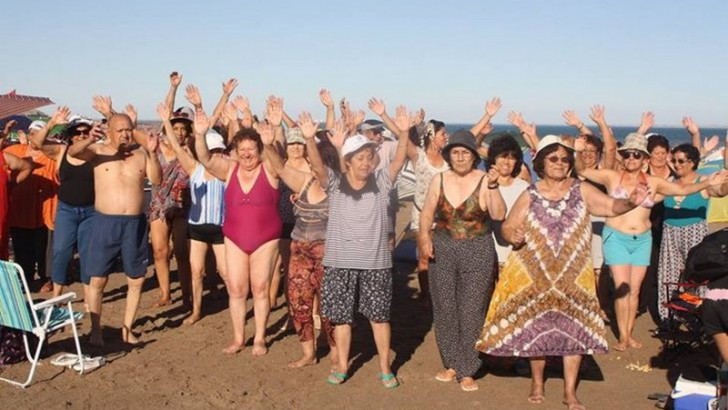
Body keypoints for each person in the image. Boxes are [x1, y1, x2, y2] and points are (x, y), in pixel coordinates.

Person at [477, 135, 651, 410]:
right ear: (541, 163)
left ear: (570, 164)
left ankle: (570, 391)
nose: (559, 163)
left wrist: (631, 202)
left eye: (564, 159)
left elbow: (610, 206)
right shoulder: (530, 193)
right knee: (538, 328)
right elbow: (509, 227)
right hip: (536, 272)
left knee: (574, 331)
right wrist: (515, 235)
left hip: (573, 274)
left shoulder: (581, 190)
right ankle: (537, 382)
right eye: (553, 158)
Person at [575, 132, 728, 351]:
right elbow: (582, 170)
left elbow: (682, 189)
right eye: (627, 155)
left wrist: (707, 184)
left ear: (644, 159)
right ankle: (622, 337)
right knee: (622, 288)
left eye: (636, 155)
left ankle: (629, 333)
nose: (631, 159)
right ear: (622, 156)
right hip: (616, 237)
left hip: (642, 240)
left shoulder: (654, 183)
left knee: (635, 290)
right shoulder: (611, 177)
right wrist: (579, 151)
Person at [309, 103, 410, 388]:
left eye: (369, 157)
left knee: (379, 318)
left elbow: (399, 161)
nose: (366, 162)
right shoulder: (336, 183)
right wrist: (308, 139)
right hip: (340, 262)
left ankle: (384, 367)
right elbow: (317, 167)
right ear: (348, 160)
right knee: (341, 319)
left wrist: (403, 133)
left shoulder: (382, 180)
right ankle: (341, 365)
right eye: (360, 158)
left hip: (376, 263)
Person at [419, 130, 505, 391]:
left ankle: (468, 367)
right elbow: (427, 212)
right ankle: (452, 363)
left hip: (477, 248)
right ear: (449, 155)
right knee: (445, 307)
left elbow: (499, 214)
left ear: (473, 156)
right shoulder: (440, 179)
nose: (459, 157)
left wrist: (493, 186)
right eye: (455, 152)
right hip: (443, 247)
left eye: (465, 152)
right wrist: (424, 237)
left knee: (472, 309)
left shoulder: (484, 179)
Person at [68, 113, 162, 346]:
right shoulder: (98, 152)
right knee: (97, 279)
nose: (125, 134)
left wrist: (152, 152)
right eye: (119, 130)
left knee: (136, 279)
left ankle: (127, 328)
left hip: (134, 223)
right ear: (109, 131)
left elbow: (157, 180)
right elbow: (73, 153)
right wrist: (90, 138)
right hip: (105, 223)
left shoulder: (140, 154)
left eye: (128, 129)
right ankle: (96, 330)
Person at [194, 105, 281, 356]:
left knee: (261, 288)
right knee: (236, 288)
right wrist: (199, 135)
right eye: (241, 150)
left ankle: (260, 338)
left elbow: (279, 160)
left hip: (266, 239)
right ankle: (239, 337)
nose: (246, 155)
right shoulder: (229, 169)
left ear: (259, 150)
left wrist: (272, 136)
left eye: (251, 150)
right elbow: (206, 159)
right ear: (235, 152)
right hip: (234, 238)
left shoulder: (270, 168)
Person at [263, 113, 339, 368]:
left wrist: (309, 138)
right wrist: (267, 144)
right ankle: (309, 353)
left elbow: (320, 167)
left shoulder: (337, 188)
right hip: (300, 251)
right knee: (299, 302)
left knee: (330, 307)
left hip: (329, 254)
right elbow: (280, 168)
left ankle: (336, 350)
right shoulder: (304, 183)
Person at [156, 102, 228, 325]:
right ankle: (196, 310)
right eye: (212, 150)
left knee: (226, 273)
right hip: (197, 229)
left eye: (219, 151)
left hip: (220, 229)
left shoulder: (227, 170)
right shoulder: (194, 169)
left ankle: (238, 306)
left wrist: (222, 98)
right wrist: (166, 120)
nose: (216, 154)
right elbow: (178, 148)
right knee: (196, 272)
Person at [656, 144, 728, 326]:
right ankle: (668, 317)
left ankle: (698, 318)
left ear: (692, 162)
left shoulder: (703, 181)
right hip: (670, 232)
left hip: (694, 231)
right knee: (669, 276)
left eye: (681, 161)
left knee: (696, 276)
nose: (677, 164)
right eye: (674, 160)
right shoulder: (669, 182)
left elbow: (719, 191)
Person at [4, 121, 59, 291]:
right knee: (22, 246)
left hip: (45, 209)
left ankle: (46, 278)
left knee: (44, 247)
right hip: (20, 209)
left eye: (40, 133)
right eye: (33, 133)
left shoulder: (52, 155)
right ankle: (25, 277)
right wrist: (5, 133)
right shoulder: (15, 151)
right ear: (29, 135)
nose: (36, 137)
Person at [487, 135, 529, 266]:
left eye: (512, 158)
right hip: (487, 258)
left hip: (516, 258)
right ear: (494, 158)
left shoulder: (524, 188)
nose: (507, 162)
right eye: (503, 156)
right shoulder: (483, 184)